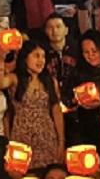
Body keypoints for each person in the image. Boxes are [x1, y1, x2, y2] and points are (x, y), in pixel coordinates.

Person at [8, 41, 65, 169]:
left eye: (43, 56)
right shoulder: (15, 79)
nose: (41, 60)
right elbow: (0, 82)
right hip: (22, 137)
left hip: (46, 136)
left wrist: (61, 141)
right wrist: (2, 56)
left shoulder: (50, 81)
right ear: (25, 58)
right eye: (36, 56)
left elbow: (56, 110)